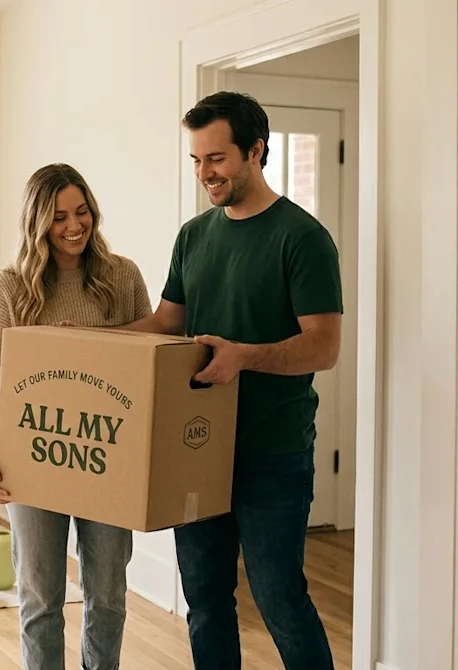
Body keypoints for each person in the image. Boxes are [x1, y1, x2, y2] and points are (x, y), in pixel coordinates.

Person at [120, 91, 342, 669]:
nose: (204, 173)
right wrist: (98, 339)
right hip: (195, 445)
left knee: (279, 600)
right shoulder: (194, 236)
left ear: (255, 151)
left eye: (215, 158)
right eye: (195, 160)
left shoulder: (303, 238)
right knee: (206, 598)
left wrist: (244, 356)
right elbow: (169, 321)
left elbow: (324, 346)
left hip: (272, 451)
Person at [0, 162, 153, 670]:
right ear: (37, 224)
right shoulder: (9, 287)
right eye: (58, 217)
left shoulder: (123, 278)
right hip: (33, 460)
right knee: (40, 600)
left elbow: (146, 367)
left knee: (108, 595)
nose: (74, 226)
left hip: (107, 457)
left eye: (82, 211)